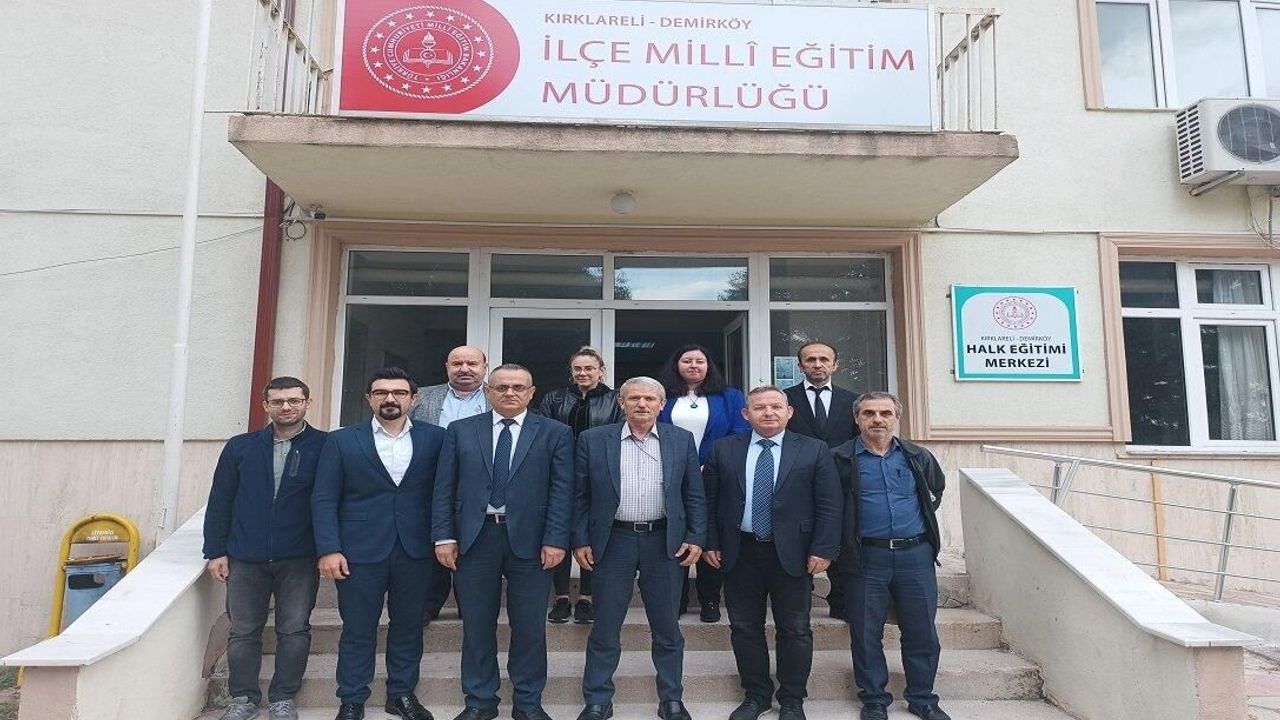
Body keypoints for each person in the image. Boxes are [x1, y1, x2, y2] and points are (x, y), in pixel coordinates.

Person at [433, 364, 575, 720]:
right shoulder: (461, 430)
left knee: (529, 627)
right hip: (475, 538)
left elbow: (562, 491)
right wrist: (444, 536)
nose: (510, 393)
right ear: (488, 391)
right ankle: (480, 701)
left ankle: (527, 703)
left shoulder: (555, 433)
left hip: (533, 542)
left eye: (518, 387)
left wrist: (556, 539)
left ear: (531, 392)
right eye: (501, 387)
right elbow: (444, 488)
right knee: (476, 625)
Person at [312, 367, 446, 720]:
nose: (390, 399)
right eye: (381, 392)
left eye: (399, 393)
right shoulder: (342, 440)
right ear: (369, 398)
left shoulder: (436, 439)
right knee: (358, 628)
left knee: (408, 626)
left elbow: (445, 493)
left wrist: (444, 538)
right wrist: (328, 548)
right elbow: (324, 497)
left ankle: (401, 694)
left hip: (415, 549)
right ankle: (352, 698)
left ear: (414, 399)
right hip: (358, 550)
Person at [703, 386, 841, 720]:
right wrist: (710, 542)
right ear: (745, 414)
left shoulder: (814, 449)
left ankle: (792, 699)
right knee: (744, 627)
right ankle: (756, 695)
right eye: (760, 407)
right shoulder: (723, 449)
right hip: (740, 552)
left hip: (794, 553)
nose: (768, 413)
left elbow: (829, 504)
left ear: (789, 412)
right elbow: (709, 502)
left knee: (795, 628)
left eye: (776, 407)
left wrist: (823, 549)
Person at [572, 376, 706, 720]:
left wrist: (695, 536)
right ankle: (598, 700)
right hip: (612, 541)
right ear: (622, 403)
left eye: (649, 399)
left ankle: (671, 699)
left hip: (664, 542)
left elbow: (694, 493)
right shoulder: (593, 440)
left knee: (667, 628)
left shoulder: (681, 439)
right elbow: (580, 495)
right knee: (605, 625)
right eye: (634, 398)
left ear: (662, 405)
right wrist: (581, 539)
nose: (642, 404)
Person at [204, 377, 327, 720]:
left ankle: (283, 698)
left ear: (307, 403)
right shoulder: (240, 447)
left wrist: (327, 549)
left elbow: (330, 500)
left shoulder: (325, 446)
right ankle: (243, 698)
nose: (286, 407)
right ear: (266, 406)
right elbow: (221, 500)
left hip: (299, 556)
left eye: (294, 400)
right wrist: (215, 551)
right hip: (245, 556)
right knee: (243, 630)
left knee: (294, 629)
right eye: (278, 401)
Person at [832, 392, 949, 720]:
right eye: (868, 413)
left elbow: (935, 490)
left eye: (885, 413)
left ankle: (922, 698)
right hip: (866, 557)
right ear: (857, 419)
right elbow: (829, 505)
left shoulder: (917, 456)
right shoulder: (839, 459)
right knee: (865, 632)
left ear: (897, 417)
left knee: (921, 631)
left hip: (916, 556)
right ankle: (874, 699)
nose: (877, 420)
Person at [657, 344, 749, 622]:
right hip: (672, 475)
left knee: (710, 532)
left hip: (715, 473)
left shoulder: (730, 397)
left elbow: (740, 431)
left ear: (709, 366)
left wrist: (707, 462)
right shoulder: (663, 396)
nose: (694, 365)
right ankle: (678, 597)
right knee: (676, 531)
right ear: (676, 365)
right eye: (687, 361)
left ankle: (710, 598)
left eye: (700, 361)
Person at [537, 346, 625, 625]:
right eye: (578, 368)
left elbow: (618, 437)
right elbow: (542, 435)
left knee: (592, 533)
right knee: (559, 531)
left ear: (601, 371)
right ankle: (562, 596)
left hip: (599, 474)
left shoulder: (615, 401)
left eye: (589, 368)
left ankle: (586, 597)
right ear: (571, 371)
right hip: (560, 473)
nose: (583, 373)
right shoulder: (554, 398)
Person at [411, 345, 490, 622]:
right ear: (447, 367)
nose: (464, 369)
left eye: (472, 363)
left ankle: (469, 604)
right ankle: (430, 603)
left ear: (484, 367)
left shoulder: (499, 396)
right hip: (431, 481)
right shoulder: (421, 397)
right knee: (435, 541)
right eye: (457, 364)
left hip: (480, 484)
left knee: (473, 545)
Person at [782, 341, 858, 621]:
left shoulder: (852, 401)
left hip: (840, 482)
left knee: (840, 541)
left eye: (824, 359)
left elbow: (857, 442)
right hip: (796, 483)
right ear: (800, 366)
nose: (817, 364)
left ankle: (840, 601)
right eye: (810, 359)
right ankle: (800, 600)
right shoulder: (785, 400)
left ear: (835, 365)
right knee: (799, 541)